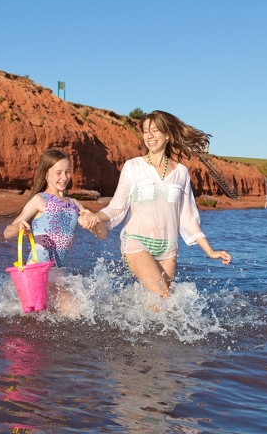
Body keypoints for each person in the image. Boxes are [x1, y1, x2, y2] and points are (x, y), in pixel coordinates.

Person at [80, 110, 231, 298]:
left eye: (155, 130)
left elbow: (188, 218)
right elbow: (117, 207)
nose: (149, 136)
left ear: (167, 135)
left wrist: (210, 251)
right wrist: (96, 216)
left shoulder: (181, 172)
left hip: (168, 248)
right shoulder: (133, 166)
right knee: (163, 294)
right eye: (145, 131)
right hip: (137, 241)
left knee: (160, 309)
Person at [3, 149, 107, 265]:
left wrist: (95, 221)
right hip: (37, 270)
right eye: (58, 173)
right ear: (46, 174)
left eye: (67, 172)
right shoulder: (40, 200)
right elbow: (7, 233)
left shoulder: (75, 205)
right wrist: (18, 227)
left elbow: (102, 235)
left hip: (60, 275)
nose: (64, 178)